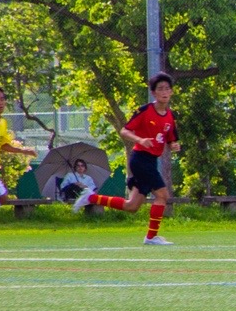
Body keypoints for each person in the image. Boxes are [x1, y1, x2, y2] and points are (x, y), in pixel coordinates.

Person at [73, 73, 177, 244]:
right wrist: (140, 140)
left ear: (171, 91)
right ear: (153, 93)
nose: (164, 92)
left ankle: (91, 198)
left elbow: (171, 138)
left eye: (167, 89)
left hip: (150, 161)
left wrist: (174, 145)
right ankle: (151, 237)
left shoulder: (169, 116)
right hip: (140, 159)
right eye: (160, 89)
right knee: (163, 195)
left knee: (132, 206)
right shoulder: (145, 111)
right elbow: (124, 131)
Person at [0, 85, 39, 212]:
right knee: (2, 197)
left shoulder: (2, 122)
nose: (0, 103)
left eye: (2, 99)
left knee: (2, 198)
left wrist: (23, 151)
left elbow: (3, 144)